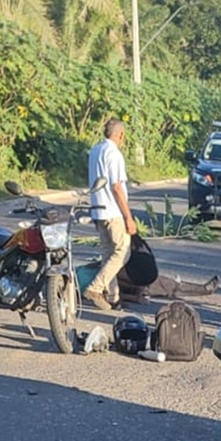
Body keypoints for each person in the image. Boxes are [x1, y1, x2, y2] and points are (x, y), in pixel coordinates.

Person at [85, 118, 137, 312]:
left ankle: (113, 297)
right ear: (120, 135)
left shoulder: (95, 150)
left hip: (98, 209)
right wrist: (128, 217)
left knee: (108, 254)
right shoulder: (114, 154)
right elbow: (116, 187)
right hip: (113, 210)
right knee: (123, 252)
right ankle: (95, 288)